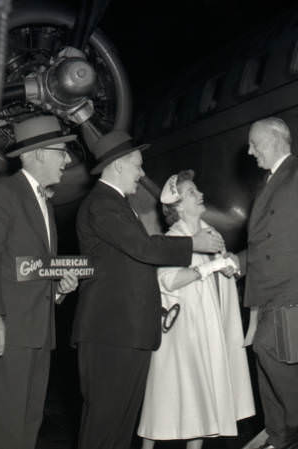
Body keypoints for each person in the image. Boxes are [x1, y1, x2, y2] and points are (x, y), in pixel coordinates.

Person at [72, 131, 225, 449]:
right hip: (110, 333)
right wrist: (193, 243)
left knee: (118, 427)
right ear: (117, 166)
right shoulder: (102, 204)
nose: (142, 175)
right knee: (104, 426)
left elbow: (127, 267)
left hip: (127, 331)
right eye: (137, 166)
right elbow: (142, 247)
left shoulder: (118, 204)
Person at [0, 115, 79, 449]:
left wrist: (58, 289)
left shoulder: (43, 199)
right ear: (41, 153)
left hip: (37, 333)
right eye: (62, 152)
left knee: (27, 426)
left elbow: (31, 268)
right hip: (7, 330)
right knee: (3, 430)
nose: (68, 160)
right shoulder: (4, 193)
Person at [234, 117, 298, 449]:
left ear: (276, 138)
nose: (250, 152)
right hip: (266, 288)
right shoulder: (270, 182)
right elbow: (263, 243)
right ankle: (279, 437)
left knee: (268, 346)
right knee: (265, 366)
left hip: (295, 282)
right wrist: (232, 262)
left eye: (255, 144)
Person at [137, 170, 255, 449]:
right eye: (192, 192)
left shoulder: (213, 234)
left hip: (207, 329)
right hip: (180, 334)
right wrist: (210, 267)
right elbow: (168, 280)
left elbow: (222, 276)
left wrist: (230, 267)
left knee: (202, 406)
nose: (200, 195)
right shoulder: (173, 238)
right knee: (161, 405)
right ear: (177, 206)